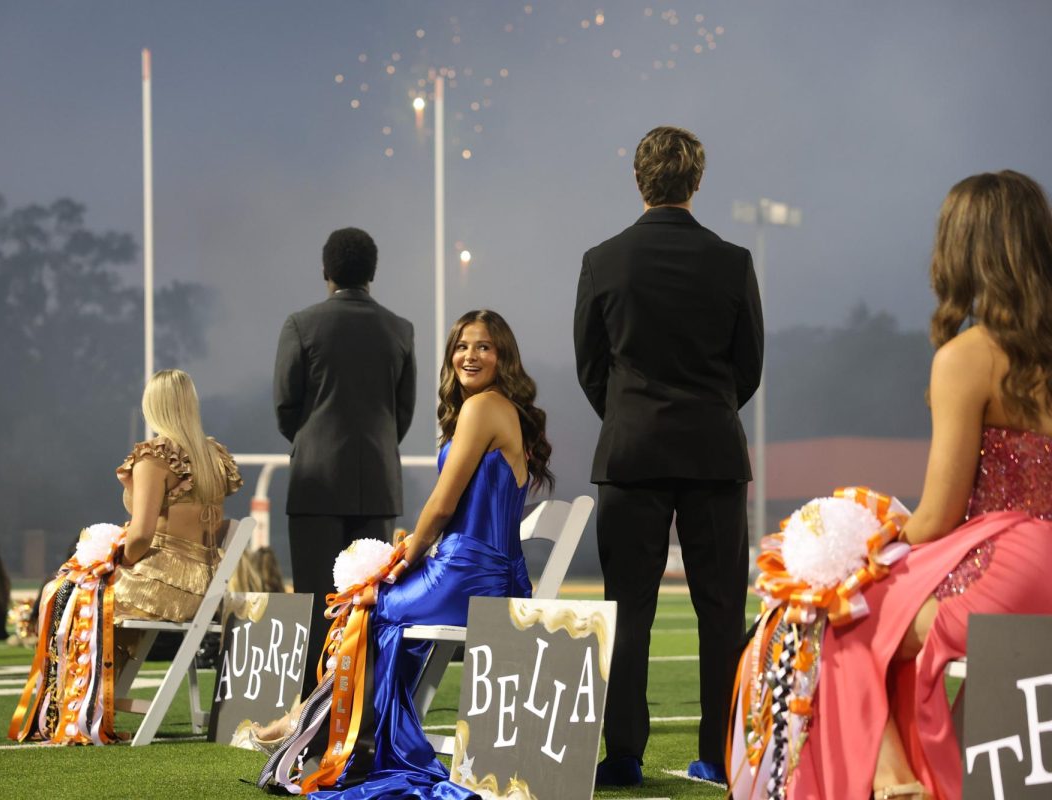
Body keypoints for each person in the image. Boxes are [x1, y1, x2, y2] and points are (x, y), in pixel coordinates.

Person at [775, 170, 1052, 800]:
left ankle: (895, 777)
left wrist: (865, 530)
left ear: (962, 251)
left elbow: (937, 519)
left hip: (1007, 567)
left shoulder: (969, 356)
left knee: (833, 606)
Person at [258, 309, 552, 799]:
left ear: (504, 357)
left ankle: (332, 728)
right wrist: (411, 550)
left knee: (368, 604)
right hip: (478, 568)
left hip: (470, 573)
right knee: (373, 602)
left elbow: (442, 504)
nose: (469, 355)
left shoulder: (483, 408)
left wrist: (404, 557)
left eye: (483, 346)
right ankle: (337, 727)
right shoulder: (492, 408)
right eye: (461, 346)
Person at [574, 125, 764, 786]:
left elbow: (589, 366)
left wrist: (630, 414)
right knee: (721, 613)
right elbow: (750, 368)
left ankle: (623, 753)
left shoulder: (603, 260)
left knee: (626, 610)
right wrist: (706, 411)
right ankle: (718, 755)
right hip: (713, 450)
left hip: (630, 450)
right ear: (697, 181)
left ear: (639, 179)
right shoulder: (733, 261)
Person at [10, 368, 243, 743]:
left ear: (153, 406)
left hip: (162, 583)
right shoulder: (213, 457)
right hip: (201, 585)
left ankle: (70, 710)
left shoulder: (156, 456)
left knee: (69, 593)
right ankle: (89, 703)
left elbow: (141, 535)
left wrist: (118, 560)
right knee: (81, 590)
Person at [274, 227, 417, 696]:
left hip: (314, 481)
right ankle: (364, 707)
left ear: (326, 271)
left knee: (318, 602)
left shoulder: (301, 324)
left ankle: (312, 711)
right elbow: (404, 412)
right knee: (367, 604)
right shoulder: (399, 329)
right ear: (372, 272)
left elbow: (285, 405)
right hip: (376, 480)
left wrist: (313, 440)